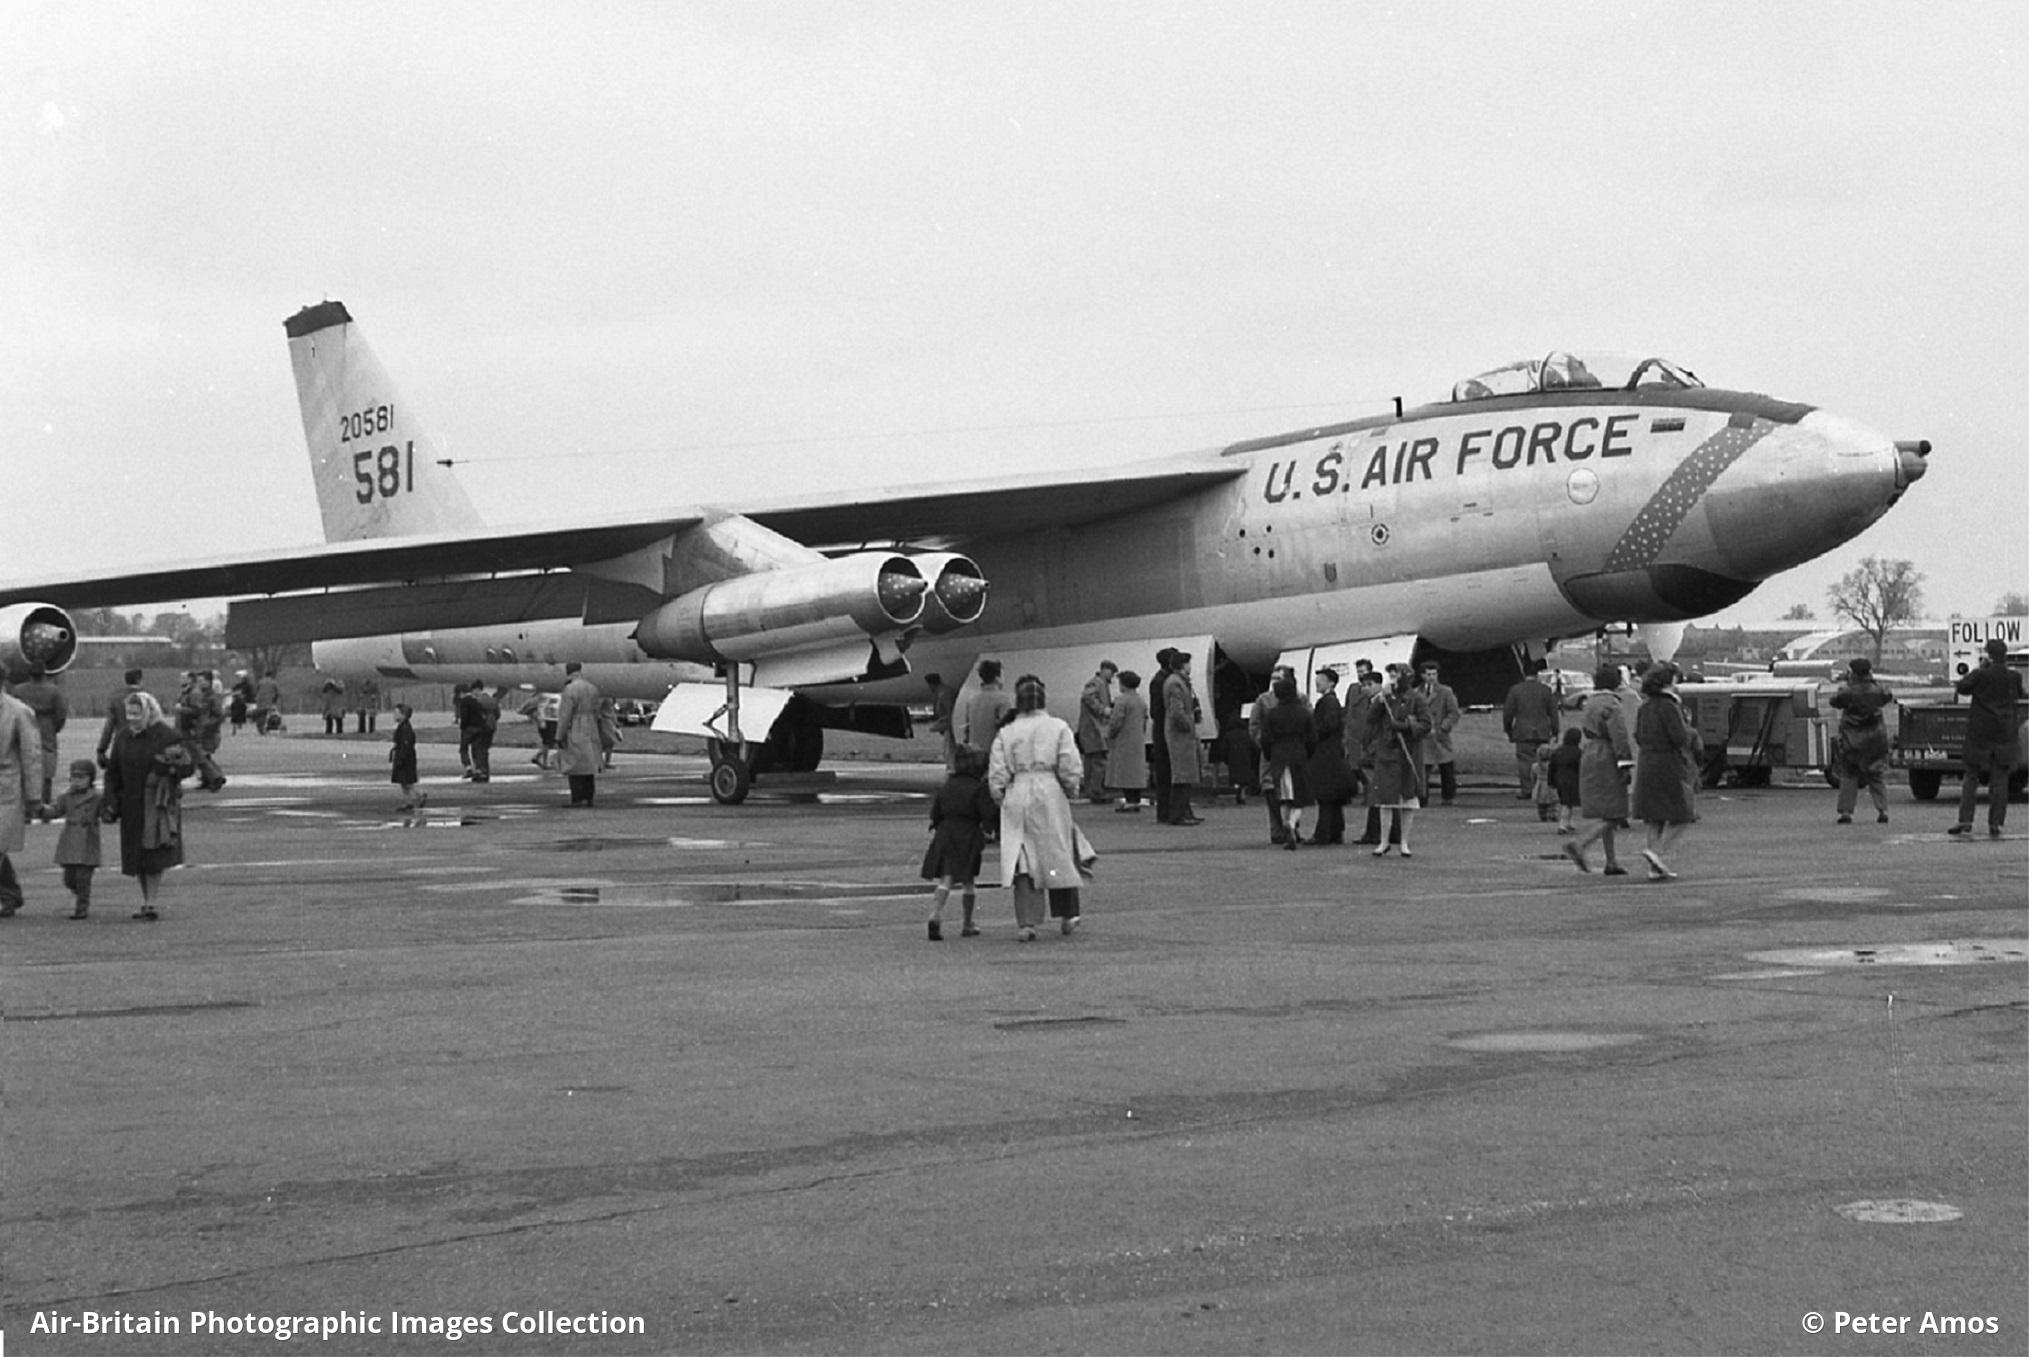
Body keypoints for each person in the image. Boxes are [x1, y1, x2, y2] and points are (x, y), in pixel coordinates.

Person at [987, 675, 1093, 941]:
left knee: (1023, 858)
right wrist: (1071, 788)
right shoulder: (1058, 727)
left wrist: (1000, 795)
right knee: (1058, 851)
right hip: (1049, 789)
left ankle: (1027, 922)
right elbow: (1069, 762)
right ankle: (1068, 914)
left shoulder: (1007, 731)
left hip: (1018, 789)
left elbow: (997, 772)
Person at [101, 691, 194, 920]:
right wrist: (110, 800)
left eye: (136, 713)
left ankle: (151, 902)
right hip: (131, 802)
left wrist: (170, 769)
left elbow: (188, 766)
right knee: (138, 856)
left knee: (153, 854)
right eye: (129, 713)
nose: (132, 718)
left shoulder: (167, 735)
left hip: (158, 804)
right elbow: (113, 772)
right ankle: (146, 900)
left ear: (149, 711)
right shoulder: (123, 737)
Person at [1631, 663, 1703, 881]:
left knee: (1655, 817)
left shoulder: (1645, 706)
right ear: (1669, 681)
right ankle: (1657, 854)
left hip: (1647, 761)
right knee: (1682, 814)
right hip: (1669, 762)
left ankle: (1654, 867)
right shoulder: (1670, 706)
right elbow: (1679, 737)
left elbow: (1637, 735)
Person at [1949, 637, 2025, 838]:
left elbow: (1962, 687)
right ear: (2005, 655)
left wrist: (1981, 668)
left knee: (1971, 777)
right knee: (2000, 781)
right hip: (2004, 733)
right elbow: (2020, 695)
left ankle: (1965, 820)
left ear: (1988, 655)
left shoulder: (1980, 675)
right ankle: (1996, 824)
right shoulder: (2014, 677)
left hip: (1980, 733)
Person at [921, 746, 997, 940]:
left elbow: (936, 812)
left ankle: (935, 914)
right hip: (968, 833)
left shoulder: (948, 785)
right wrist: (991, 829)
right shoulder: (979, 787)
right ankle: (967, 923)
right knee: (968, 880)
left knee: (945, 879)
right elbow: (987, 813)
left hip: (946, 833)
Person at [1564, 665, 1634, 876]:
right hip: (1607, 754)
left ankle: (1611, 861)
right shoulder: (1612, 704)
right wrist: (1625, 764)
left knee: (1606, 809)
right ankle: (1581, 843)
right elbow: (1619, 736)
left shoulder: (1589, 702)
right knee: (1616, 812)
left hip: (1590, 751)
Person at [1368, 667, 1432, 856]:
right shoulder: (1386, 697)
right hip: (1388, 754)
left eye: (1396, 676)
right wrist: (1379, 701)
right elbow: (1371, 719)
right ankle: (1383, 841)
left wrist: (1405, 727)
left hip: (1408, 754)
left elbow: (1426, 724)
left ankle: (1404, 842)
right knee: (1386, 800)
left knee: (1408, 799)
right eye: (1391, 676)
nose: (1392, 680)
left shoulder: (1417, 698)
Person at [1829, 656, 1894, 825]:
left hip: (1853, 739)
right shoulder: (1878, 690)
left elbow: (1834, 701)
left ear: (1853, 673)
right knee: (1876, 774)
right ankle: (1882, 810)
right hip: (1875, 738)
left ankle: (1846, 812)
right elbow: (1887, 695)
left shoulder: (1848, 692)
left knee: (1849, 775)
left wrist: (1846, 684)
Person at [1259, 672, 1317, 850]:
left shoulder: (1272, 714)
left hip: (1278, 756)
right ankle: (1292, 824)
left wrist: (1269, 755)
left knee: (1284, 797)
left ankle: (1286, 827)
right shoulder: (1304, 713)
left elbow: (1265, 739)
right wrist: (1308, 753)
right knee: (1300, 797)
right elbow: (1312, 737)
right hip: (1298, 755)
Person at [0, 681, 41, 918]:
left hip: (6, 785)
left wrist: (34, 796)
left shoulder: (19, 712)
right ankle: (9, 892)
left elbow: (31, 754)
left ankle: (8, 894)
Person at [42, 758, 102, 918]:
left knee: (83, 876)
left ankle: (82, 907)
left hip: (87, 837)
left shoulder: (96, 797)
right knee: (69, 878)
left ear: (91, 779)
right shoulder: (66, 797)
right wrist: (42, 810)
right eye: (74, 777)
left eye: (82, 777)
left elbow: (106, 812)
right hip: (70, 837)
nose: (77, 781)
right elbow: (56, 810)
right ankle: (80, 894)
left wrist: (111, 811)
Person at [1306, 667, 1356, 844]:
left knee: (1326, 795)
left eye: (1321, 679)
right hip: (1331, 753)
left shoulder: (1328, 702)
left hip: (1326, 753)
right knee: (1331, 796)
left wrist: (1312, 734)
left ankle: (1323, 833)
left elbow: (1328, 725)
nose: (1317, 682)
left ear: (1331, 682)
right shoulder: (1330, 702)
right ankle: (1335, 831)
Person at [1503, 660, 1562, 801]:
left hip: (1523, 732)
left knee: (1525, 762)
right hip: (1542, 731)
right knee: (1543, 761)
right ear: (1537, 674)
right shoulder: (1546, 690)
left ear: (1524, 673)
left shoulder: (1515, 690)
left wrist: (1508, 729)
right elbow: (1553, 713)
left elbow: (1508, 713)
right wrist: (1555, 731)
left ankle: (1527, 790)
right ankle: (1542, 789)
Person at [11, 668, 67, 804]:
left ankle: (25, 803)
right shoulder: (54, 690)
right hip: (47, 725)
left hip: (24, 723)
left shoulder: (18, 690)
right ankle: (44, 802)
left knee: (22, 761)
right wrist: (54, 728)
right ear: (44, 673)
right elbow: (61, 713)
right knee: (47, 768)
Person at [1162, 651, 1205, 826]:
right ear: (1183, 664)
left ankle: (1185, 812)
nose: (1190, 666)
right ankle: (1178, 815)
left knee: (1185, 775)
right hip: (1180, 734)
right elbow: (1176, 712)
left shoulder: (1180, 682)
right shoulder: (1175, 684)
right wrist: (1188, 724)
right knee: (1181, 775)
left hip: (1183, 734)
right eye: (1188, 663)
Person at [554, 662, 603, 807]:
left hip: (576, 726)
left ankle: (577, 798)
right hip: (591, 726)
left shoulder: (570, 689)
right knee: (590, 765)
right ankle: (589, 797)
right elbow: (597, 710)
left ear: (568, 671)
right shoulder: (592, 688)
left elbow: (565, 715)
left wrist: (559, 735)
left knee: (574, 765)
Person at [1103, 670, 1149, 811]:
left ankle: (1129, 801)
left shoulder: (1121, 700)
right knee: (1136, 773)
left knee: (1124, 772)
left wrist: (1109, 734)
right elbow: (1145, 720)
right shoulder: (1140, 700)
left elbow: (1116, 721)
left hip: (1124, 740)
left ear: (1124, 684)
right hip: (1137, 739)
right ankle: (1135, 800)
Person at [1418, 661, 1462, 805]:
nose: (1431, 677)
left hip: (1440, 736)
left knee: (1446, 768)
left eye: (1434, 674)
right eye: (1428, 674)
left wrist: (1444, 726)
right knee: (1423, 770)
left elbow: (1454, 712)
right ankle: (1422, 797)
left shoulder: (1445, 691)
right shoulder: (1416, 692)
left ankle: (1448, 797)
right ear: (1422, 675)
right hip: (1423, 737)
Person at [177, 671, 228, 791]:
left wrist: (207, 725)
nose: (199, 683)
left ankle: (215, 777)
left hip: (206, 731)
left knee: (199, 755)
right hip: (199, 729)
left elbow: (217, 715)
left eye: (202, 681)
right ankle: (211, 778)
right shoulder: (200, 694)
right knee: (201, 755)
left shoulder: (208, 696)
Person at [1076, 661, 1116, 802]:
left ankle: (1091, 789)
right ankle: (1095, 790)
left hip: (1092, 728)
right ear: (1105, 670)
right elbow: (1087, 697)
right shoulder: (1096, 683)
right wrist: (1102, 710)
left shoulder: (1099, 684)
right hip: (1094, 728)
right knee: (1098, 760)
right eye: (1112, 672)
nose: (1113, 676)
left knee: (1091, 760)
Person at [956, 659, 1011, 758]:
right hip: (994, 754)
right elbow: (1005, 729)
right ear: (997, 678)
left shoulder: (972, 700)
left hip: (975, 755)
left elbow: (967, 730)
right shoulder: (1003, 700)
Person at [97, 668, 149, 765]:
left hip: (122, 744)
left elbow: (109, 727)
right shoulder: (148, 698)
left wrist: (102, 749)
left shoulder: (116, 699)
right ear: (139, 680)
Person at [457, 679, 499, 782]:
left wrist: (463, 726)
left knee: (466, 748)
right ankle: (483, 771)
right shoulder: (492, 701)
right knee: (481, 750)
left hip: (472, 728)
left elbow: (464, 716)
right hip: (488, 728)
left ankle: (470, 768)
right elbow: (497, 714)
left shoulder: (472, 700)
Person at [1545, 727, 1584, 833]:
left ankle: (1568, 822)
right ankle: (1563, 824)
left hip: (1559, 779)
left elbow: (1552, 767)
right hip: (1572, 780)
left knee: (1565, 801)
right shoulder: (1578, 753)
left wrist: (1550, 781)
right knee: (1567, 803)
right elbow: (1580, 768)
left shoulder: (1557, 752)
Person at [390, 703, 424, 813]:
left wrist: (400, 758)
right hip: (404, 756)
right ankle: (409, 801)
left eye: (397, 713)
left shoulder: (405, 728)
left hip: (406, 758)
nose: (394, 715)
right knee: (403, 782)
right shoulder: (402, 727)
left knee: (407, 781)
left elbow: (405, 744)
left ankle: (418, 796)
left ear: (404, 715)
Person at [923, 672, 960, 773]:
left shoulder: (944, 694)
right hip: (948, 722)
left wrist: (941, 724)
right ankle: (951, 766)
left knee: (949, 747)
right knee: (948, 747)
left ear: (932, 684)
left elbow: (949, 711)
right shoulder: (942, 692)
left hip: (949, 724)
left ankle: (952, 767)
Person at [251, 669, 283, 734]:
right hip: (269, 701)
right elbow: (278, 693)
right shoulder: (273, 682)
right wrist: (274, 700)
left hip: (259, 701)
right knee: (271, 714)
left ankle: (260, 728)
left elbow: (256, 691)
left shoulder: (260, 682)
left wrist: (256, 699)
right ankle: (270, 727)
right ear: (271, 675)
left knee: (261, 714)